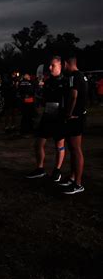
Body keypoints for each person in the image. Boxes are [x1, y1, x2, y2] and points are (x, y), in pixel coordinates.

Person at [26, 56, 67, 181]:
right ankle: (40, 169)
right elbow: (44, 99)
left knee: (59, 144)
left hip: (59, 117)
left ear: (60, 66)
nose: (49, 68)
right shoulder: (48, 81)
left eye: (52, 65)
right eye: (49, 65)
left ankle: (57, 171)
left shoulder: (65, 81)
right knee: (38, 143)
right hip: (47, 115)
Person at [60, 56, 88, 194]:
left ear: (66, 63)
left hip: (75, 117)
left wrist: (68, 113)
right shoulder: (81, 75)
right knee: (73, 148)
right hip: (80, 116)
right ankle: (72, 178)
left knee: (76, 150)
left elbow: (74, 96)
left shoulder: (73, 76)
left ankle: (78, 184)